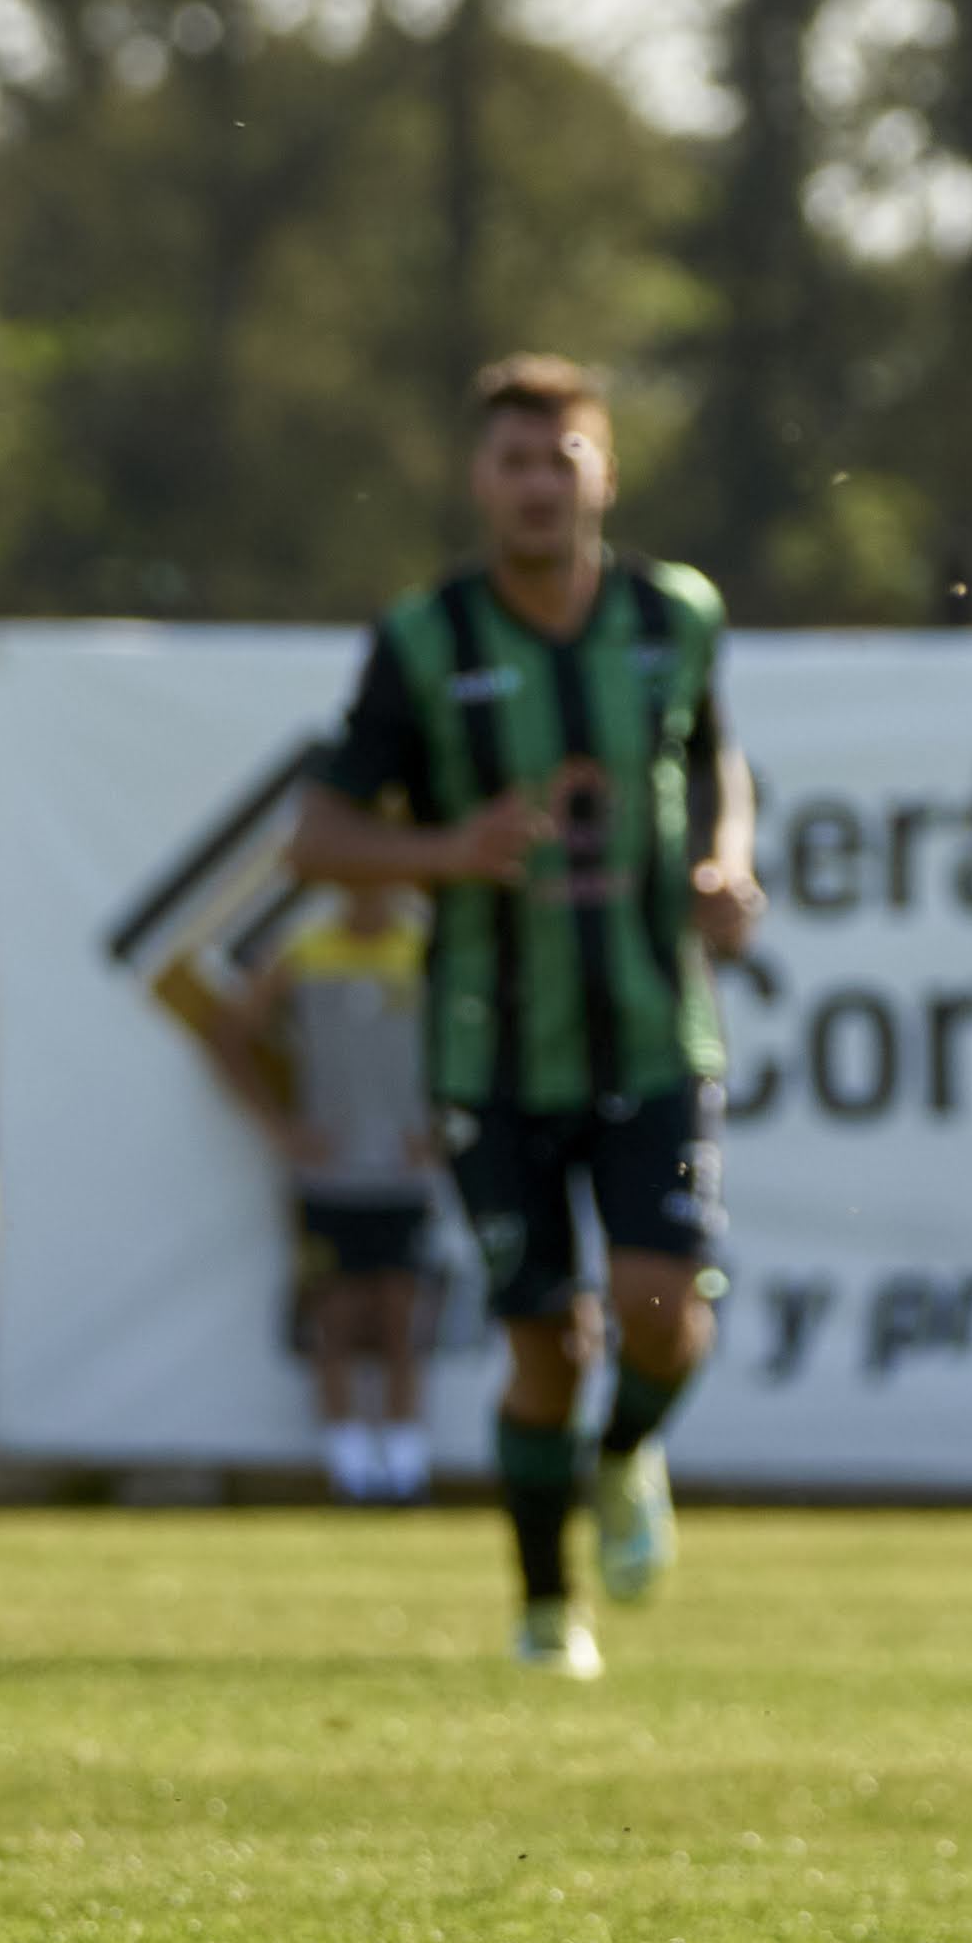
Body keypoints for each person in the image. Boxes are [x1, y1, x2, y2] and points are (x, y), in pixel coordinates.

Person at [289, 356, 759, 1676]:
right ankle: (547, 1609)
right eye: (513, 460)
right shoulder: (424, 642)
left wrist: (726, 860)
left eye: (562, 457)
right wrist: (447, 851)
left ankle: (625, 1460)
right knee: (547, 1340)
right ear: (477, 482)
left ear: (604, 471)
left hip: (659, 1031)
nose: (538, 483)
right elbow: (315, 838)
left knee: (665, 1309)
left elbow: (717, 761)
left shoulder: (676, 618)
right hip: (494, 1049)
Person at [199, 880, 442, 1504]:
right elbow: (228, 1033)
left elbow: (482, 1041)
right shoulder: (306, 949)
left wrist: (444, 1129)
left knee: (400, 1318)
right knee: (334, 1319)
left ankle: (405, 1469)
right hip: (330, 1177)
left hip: (402, 1176)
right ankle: (351, 1470)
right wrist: (279, 1127)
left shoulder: (427, 950)